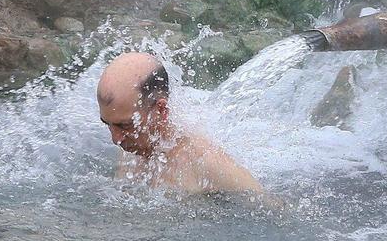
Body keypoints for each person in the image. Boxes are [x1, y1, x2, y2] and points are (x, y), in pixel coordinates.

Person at [95, 52, 265, 196]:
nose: (115, 139)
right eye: (108, 124)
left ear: (161, 110)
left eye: (125, 125)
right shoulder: (132, 146)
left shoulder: (207, 164)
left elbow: (270, 207)